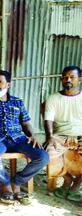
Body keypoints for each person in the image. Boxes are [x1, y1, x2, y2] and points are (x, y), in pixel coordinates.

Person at [0, 70, 49, 205]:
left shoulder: (17, 102)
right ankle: (6, 183)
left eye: (0, 81)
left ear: (8, 84)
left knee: (43, 157)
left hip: (18, 138)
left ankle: (18, 181)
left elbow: (25, 123)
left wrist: (32, 136)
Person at [43, 66, 82, 202]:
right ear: (61, 80)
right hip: (60, 136)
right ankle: (67, 180)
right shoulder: (53, 98)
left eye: (72, 77)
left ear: (80, 80)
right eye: (65, 77)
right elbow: (48, 119)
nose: (68, 80)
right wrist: (50, 137)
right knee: (48, 153)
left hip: (81, 136)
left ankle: (76, 185)